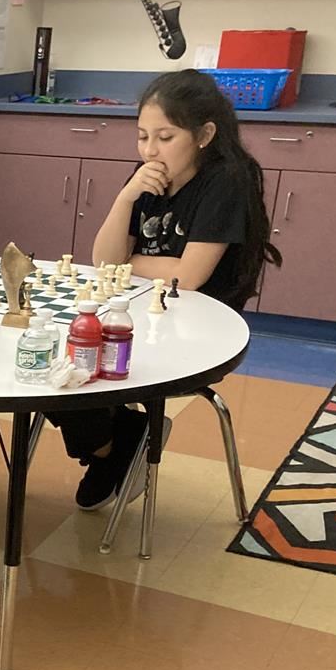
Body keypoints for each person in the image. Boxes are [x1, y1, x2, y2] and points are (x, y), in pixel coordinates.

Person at [50, 69, 282, 511]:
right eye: (141, 137)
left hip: (197, 326)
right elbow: (103, 258)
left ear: (204, 135)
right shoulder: (148, 176)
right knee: (60, 353)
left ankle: (111, 443)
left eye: (165, 136)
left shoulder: (225, 180)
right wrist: (125, 199)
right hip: (140, 309)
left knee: (80, 358)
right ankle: (111, 443)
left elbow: (190, 275)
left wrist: (129, 263)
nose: (149, 150)